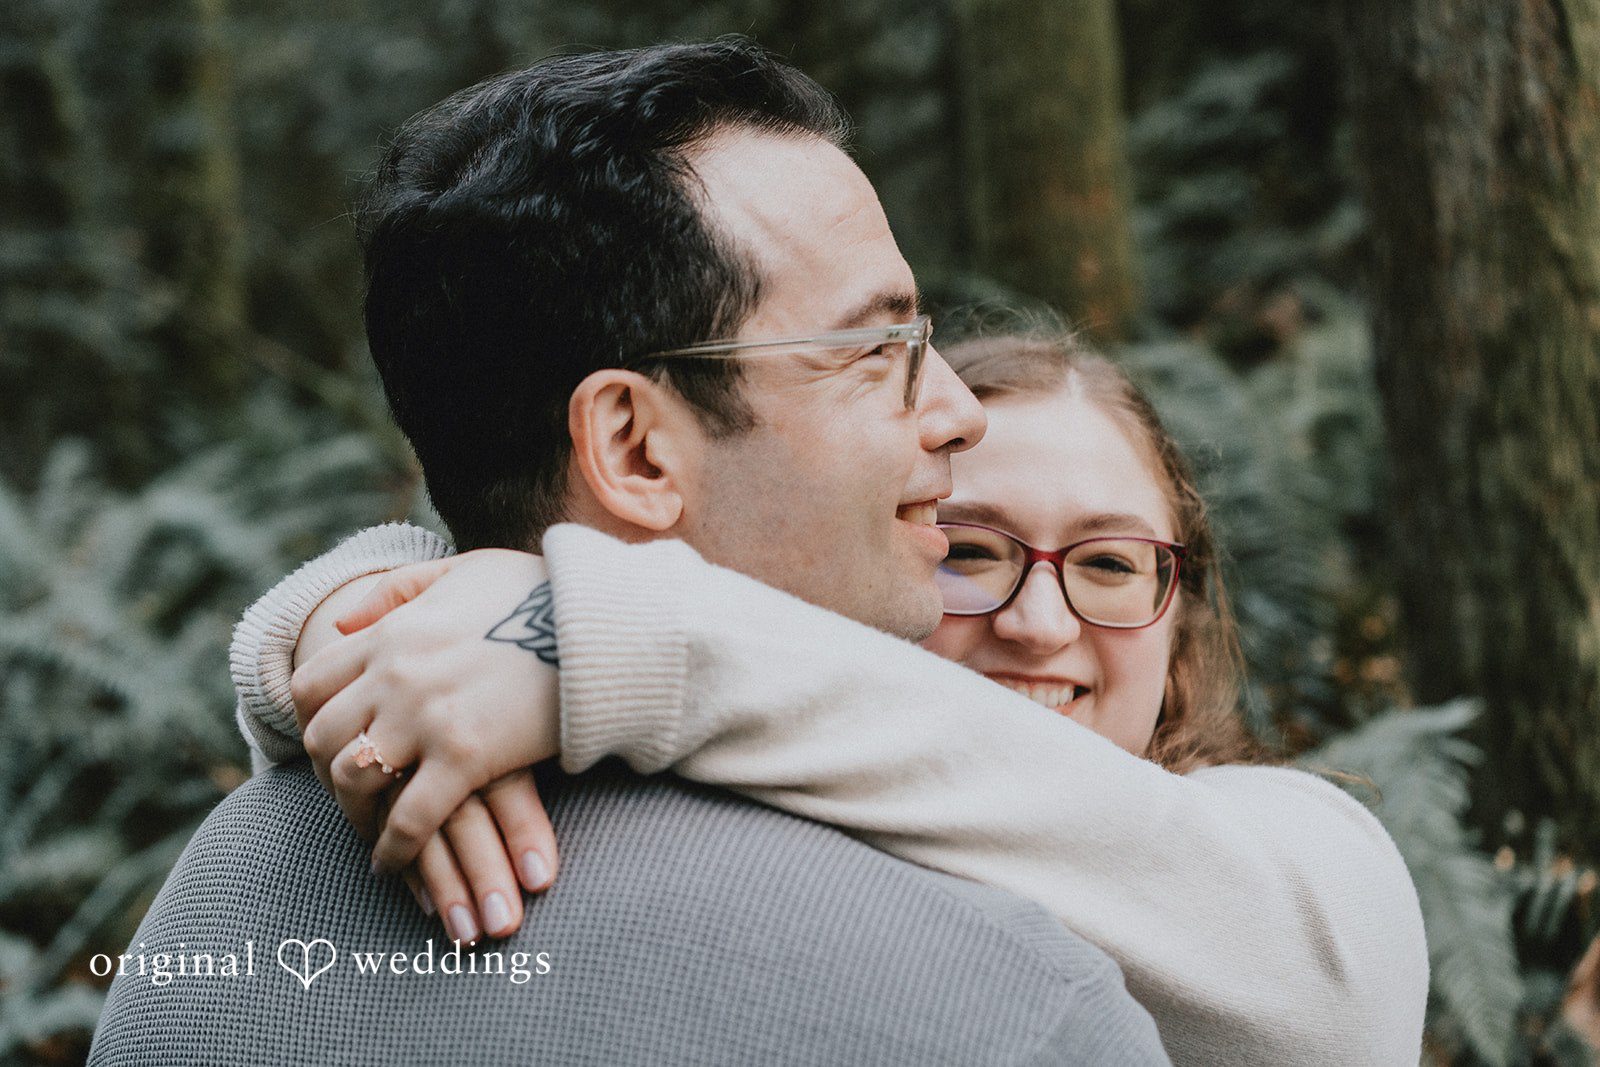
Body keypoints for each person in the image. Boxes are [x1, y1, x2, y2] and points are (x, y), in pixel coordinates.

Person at [91, 38, 1171, 1067]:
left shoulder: (210, 914)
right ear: (634, 446)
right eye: (877, 347)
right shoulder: (1012, 999)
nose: (952, 410)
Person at [243, 331, 1430, 1065]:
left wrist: (579, 624)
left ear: (1181, 617)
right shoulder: (731, 791)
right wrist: (403, 618)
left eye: (1112, 563)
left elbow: (1326, 1006)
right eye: (972, 548)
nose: (1039, 619)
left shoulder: (1287, 843)